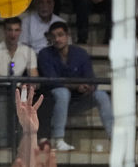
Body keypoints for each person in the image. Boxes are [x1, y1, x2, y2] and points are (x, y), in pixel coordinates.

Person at [38, 20, 113, 151]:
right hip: (52, 102)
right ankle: (58, 140)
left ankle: (114, 138)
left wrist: (89, 88)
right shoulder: (45, 54)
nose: (57, 39)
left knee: (101, 94)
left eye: (60, 35)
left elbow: (91, 78)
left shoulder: (81, 53)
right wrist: (76, 86)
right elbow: (52, 81)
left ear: (68, 35)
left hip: (77, 100)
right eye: (54, 36)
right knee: (62, 92)